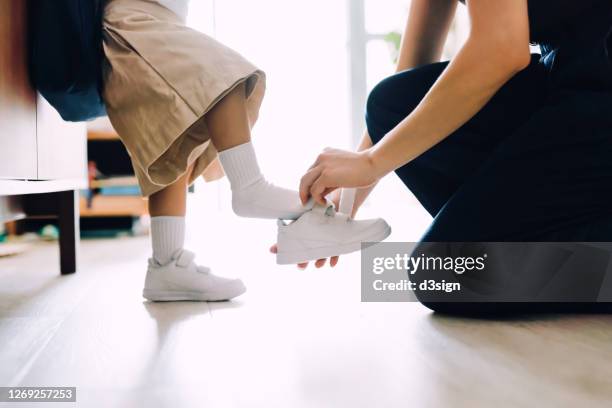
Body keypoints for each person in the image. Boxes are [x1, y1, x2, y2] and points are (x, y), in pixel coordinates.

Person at [298, 0, 612, 313]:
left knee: (442, 272)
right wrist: (346, 201)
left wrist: (372, 163)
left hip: (595, 94)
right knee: (391, 104)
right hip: (570, 80)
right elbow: (413, 68)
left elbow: (502, 48)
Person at [101, 0, 391, 302]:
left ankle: (166, 263)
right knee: (220, 74)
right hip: (130, 19)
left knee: (174, 131)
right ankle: (249, 188)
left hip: (155, 20)